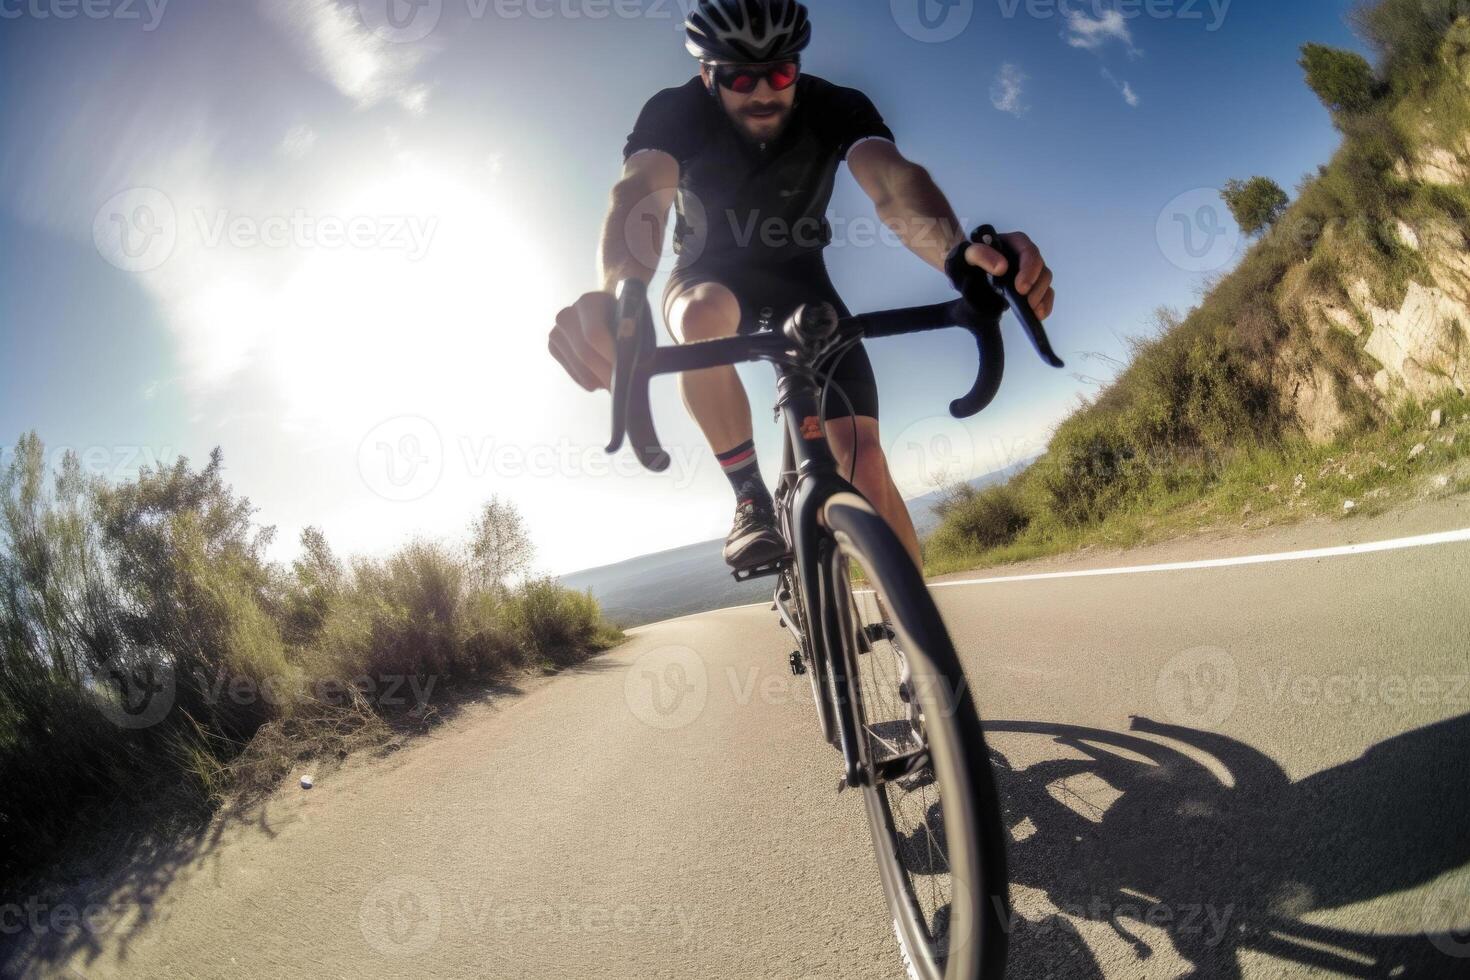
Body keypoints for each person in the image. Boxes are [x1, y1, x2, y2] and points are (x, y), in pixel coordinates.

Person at [549, 0, 1055, 571]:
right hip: (708, 277)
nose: (763, 92)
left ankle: (922, 643)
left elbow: (892, 183)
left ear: (798, 65)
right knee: (700, 317)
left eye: (781, 73)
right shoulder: (675, 112)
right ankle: (749, 495)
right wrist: (622, 294)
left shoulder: (835, 105)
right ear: (706, 75)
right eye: (740, 76)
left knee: (865, 469)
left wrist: (960, 258)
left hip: (802, 284)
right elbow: (640, 193)